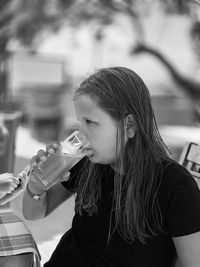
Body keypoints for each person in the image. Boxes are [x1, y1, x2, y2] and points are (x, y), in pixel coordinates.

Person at [22, 67, 200, 267]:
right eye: (80, 123)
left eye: (91, 122)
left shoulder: (175, 185)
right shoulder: (86, 163)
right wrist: (37, 186)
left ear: (129, 125)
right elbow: (34, 212)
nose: (81, 135)